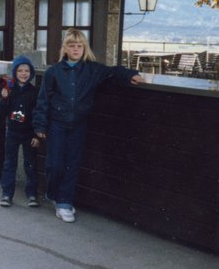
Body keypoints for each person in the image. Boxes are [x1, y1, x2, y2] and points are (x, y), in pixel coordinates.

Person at [32, 29, 144, 223]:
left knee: (72, 165)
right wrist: (40, 125)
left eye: (79, 46)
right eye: (72, 46)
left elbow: (113, 71)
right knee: (55, 165)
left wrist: (131, 74)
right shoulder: (54, 72)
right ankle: (52, 193)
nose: (76, 49)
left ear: (85, 48)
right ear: (65, 48)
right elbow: (43, 101)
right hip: (57, 124)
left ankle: (64, 204)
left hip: (78, 126)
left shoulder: (92, 70)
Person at [0, 55, 41, 208]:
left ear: (31, 73)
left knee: (30, 163)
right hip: (13, 132)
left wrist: (37, 134)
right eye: (20, 70)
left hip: (29, 133)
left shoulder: (35, 92)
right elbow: (1, 112)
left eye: (27, 71)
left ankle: (32, 194)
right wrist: (4, 99)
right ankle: (7, 194)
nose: (24, 73)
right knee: (10, 163)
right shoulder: (9, 90)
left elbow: (38, 114)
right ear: (15, 73)